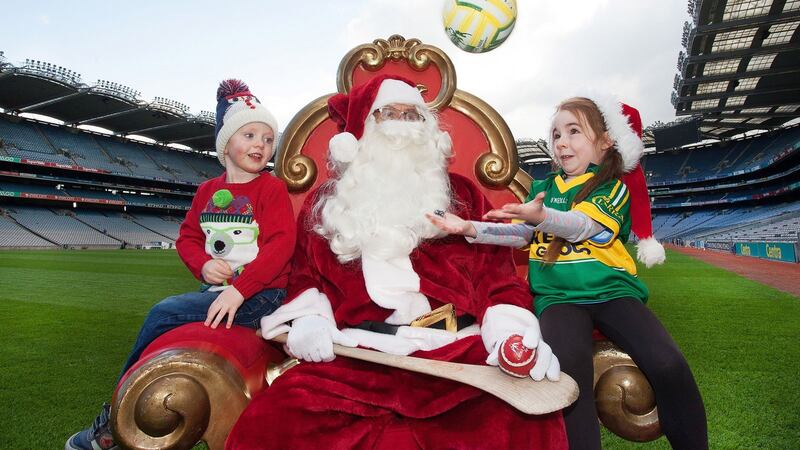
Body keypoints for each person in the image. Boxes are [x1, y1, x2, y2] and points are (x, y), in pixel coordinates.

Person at [226, 75, 568, 449]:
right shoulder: (326, 205)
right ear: (363, 132)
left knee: (523, 420)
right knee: (274, 420)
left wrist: (508, 332)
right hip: (357, 358)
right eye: (389, 113)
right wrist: (309, 320)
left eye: (412, 115)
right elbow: (306, 279)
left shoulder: (464, 195)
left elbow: (497, 279)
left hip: (457, 354)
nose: (402, 125)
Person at [427, 96, 708, 449]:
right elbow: (521, 237)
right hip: (558, 298)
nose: (561, 142)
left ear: (605, 142)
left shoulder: (613, 188)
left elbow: (583, 226)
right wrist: (469, 228)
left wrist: (541, 217)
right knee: (569, 380)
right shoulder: (542, 190)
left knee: (667, 364)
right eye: (556, 134)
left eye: (574, 131)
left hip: (613, 293)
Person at [66, 80, 296, 450]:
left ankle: (111, 422)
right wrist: (204, 265)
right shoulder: (207, 192)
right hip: (219, 290)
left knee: (163, 312)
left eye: (268, 139)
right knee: (174, 312)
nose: (260, 145)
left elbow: (281, 245)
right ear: (225, 144)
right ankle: (121, 409)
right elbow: (188, 237)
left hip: (262, 295)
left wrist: (240, 289)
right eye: (250, 134)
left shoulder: (271, 189)